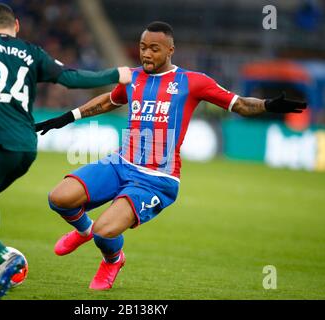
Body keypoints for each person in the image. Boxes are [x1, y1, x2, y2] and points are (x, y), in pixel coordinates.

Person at [35, 21, 306, 290]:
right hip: (120, 162)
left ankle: (113, 259)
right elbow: (108, 101)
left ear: (170, 50)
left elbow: (241, 104)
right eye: (142, 47)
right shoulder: (132, 76)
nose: (146, 54)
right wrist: (67, 117)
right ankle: (82, 231)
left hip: (156, 178)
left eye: (154, 48)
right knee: (59, 199)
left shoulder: (193, 82)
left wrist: (270, 105)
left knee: (104, 232)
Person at [0, 2, 131, 299]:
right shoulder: (32, 52)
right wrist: (114, 73)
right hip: (27, 147)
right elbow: (70, 77)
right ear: (16, 26)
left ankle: (3, 257)